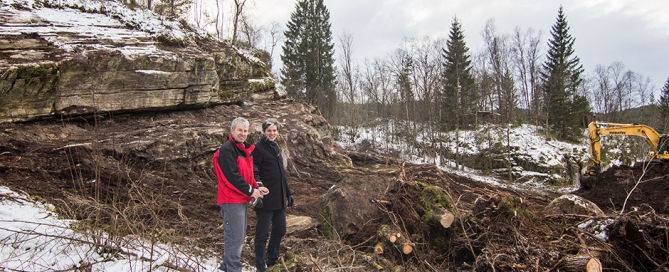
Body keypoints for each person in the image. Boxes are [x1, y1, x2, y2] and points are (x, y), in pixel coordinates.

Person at [213, 117, 269, 272]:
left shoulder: (244, 150)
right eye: (240, 130)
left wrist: (257, 186)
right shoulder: (227, 150)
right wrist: (251, 192)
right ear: (232, 131)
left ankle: (226, 266)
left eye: (245, 131)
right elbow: (232, 177)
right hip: (230, 200)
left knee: (238, 235)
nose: (243, 133)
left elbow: (249, 174)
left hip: (240, 199)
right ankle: (233, 268)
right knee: (235, 237)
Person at [252, 118, 293, 272]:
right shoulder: (258, 148)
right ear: (264, 132)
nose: (272, 133)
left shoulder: (276, 147)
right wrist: (259, 188)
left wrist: (288, 193)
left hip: (279, 197)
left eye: (274, 130)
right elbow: (254, 171)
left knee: (280, 229)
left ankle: (272, 259)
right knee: (262, 234)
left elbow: (281, 174)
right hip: (265, 198)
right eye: (269, 131)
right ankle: (260, 265)